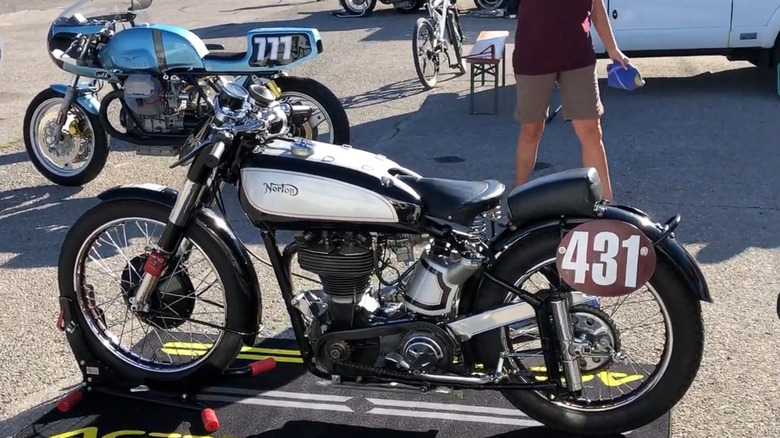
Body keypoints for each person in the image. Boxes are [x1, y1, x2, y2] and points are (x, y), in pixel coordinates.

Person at [510, 0, 628, 202]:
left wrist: (612, 48)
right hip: (533, 54)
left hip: (577, 55)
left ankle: (606, 204)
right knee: (531, 129)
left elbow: (596, 6)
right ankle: (516, 203)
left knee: (591, 130)